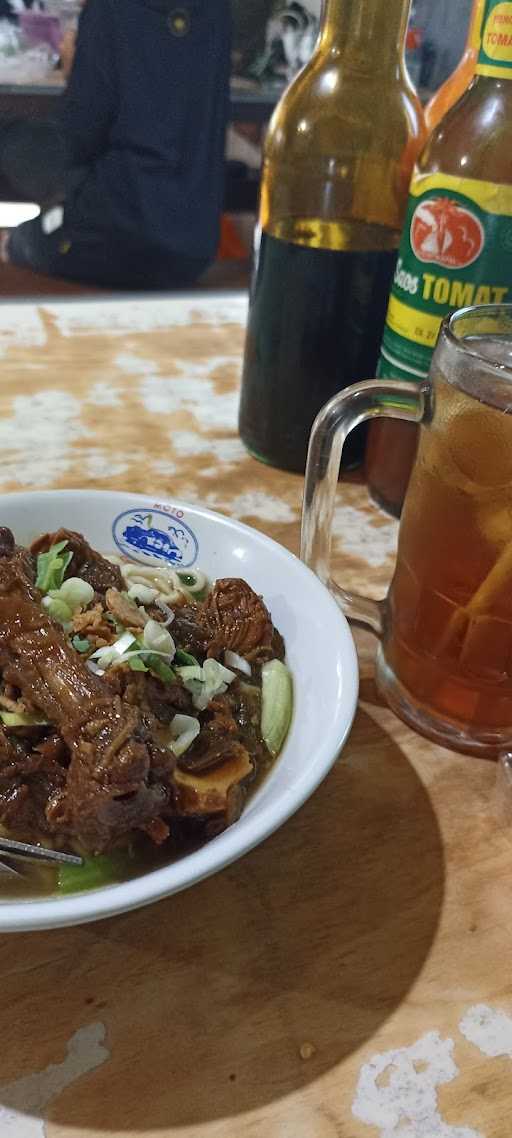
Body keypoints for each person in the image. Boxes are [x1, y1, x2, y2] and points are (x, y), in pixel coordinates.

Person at [4, 0, 232, 289]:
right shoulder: (217, 10)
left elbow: (76, 137)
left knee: (16, 242)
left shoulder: (109, 9)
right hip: (195, 243)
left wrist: (76, 68)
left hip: (117, 234)